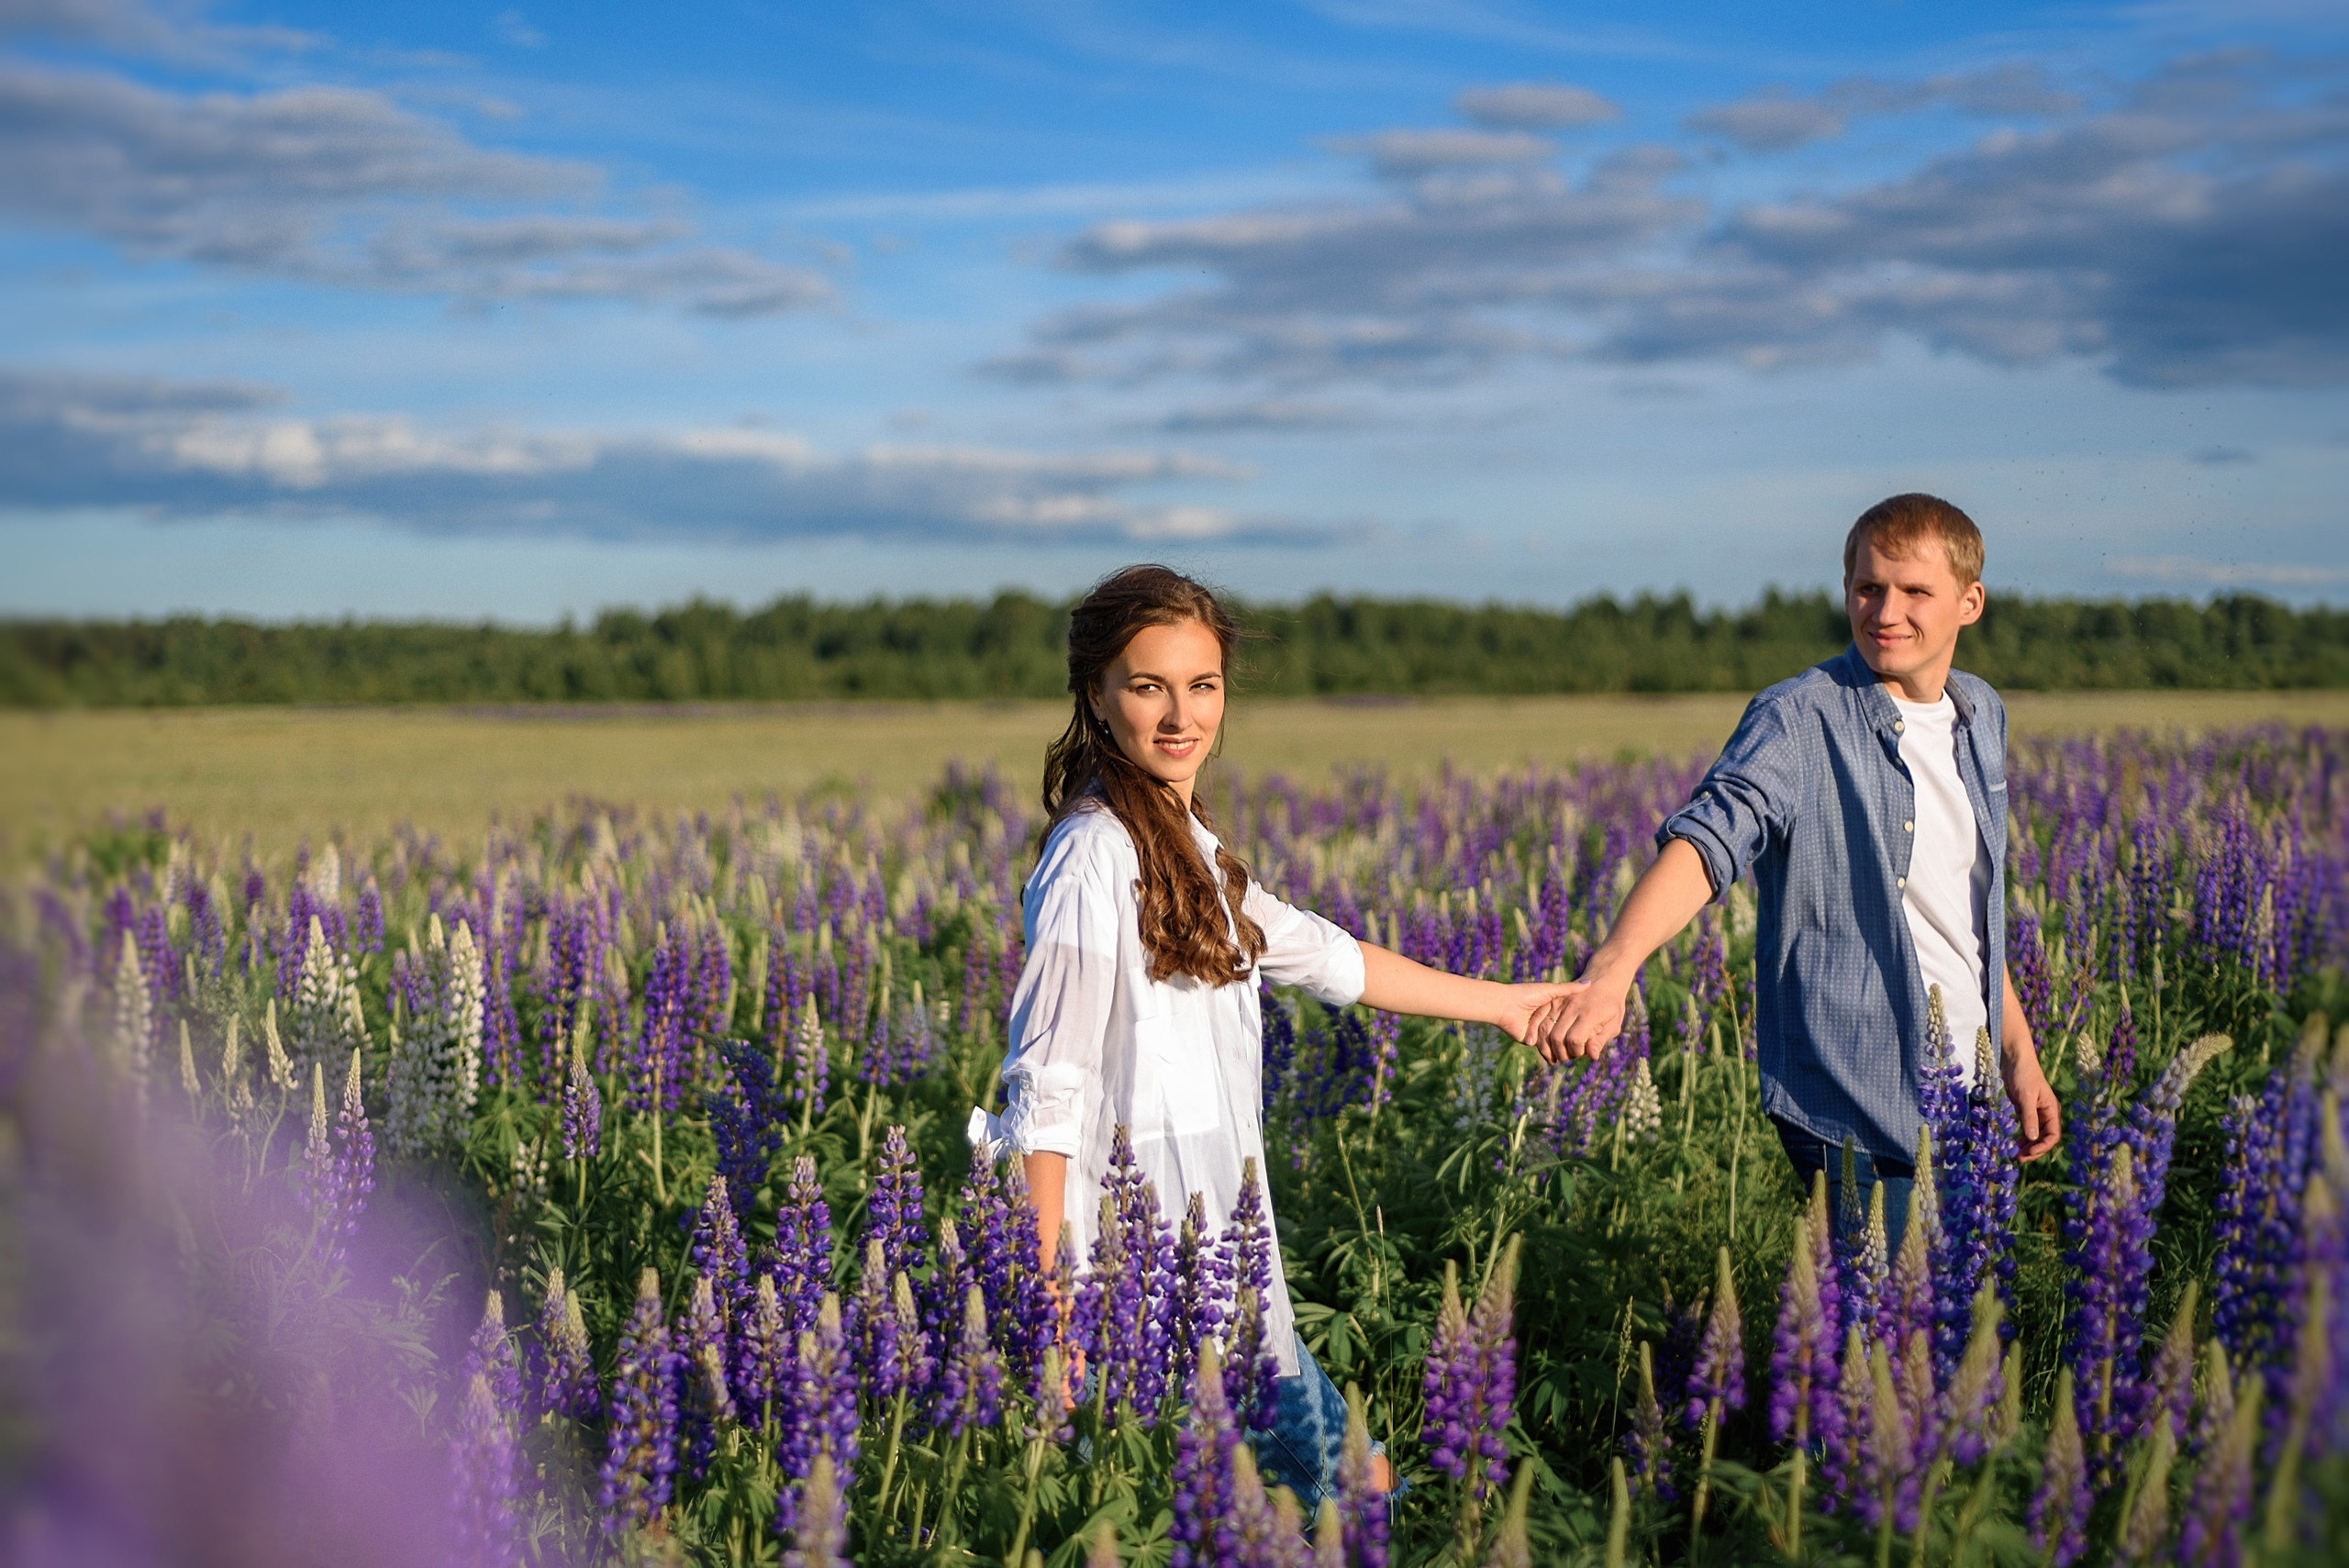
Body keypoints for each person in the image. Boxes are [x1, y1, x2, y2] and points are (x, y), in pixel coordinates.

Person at [973, 564, 1572, 1509]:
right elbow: (1046, 1088)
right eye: (1147, 685)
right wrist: (1052, 1307)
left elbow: (1335, 959)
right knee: (1338, 1502)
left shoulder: (1186, 843)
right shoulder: (1094, 852)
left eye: (1201, 686)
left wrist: (1508, 1003)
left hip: (1227, 1273)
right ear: (1095, 694)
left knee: (1351, 1494)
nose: (1181, 715)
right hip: (1139, 1290)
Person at [1532, 494, 2062, 1252]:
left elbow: (1972, 915)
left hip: (1967, 1091)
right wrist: (1613, 970)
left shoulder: (1981, 714)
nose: (1886, 610)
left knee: (1957, 1335)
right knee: (1880, 1348)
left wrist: (2017, 1056)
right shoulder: (1800, 718)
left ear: (1969, 602)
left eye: (1915, 591)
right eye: (1868, 587)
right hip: (1856, 1091)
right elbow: (1708, 840)